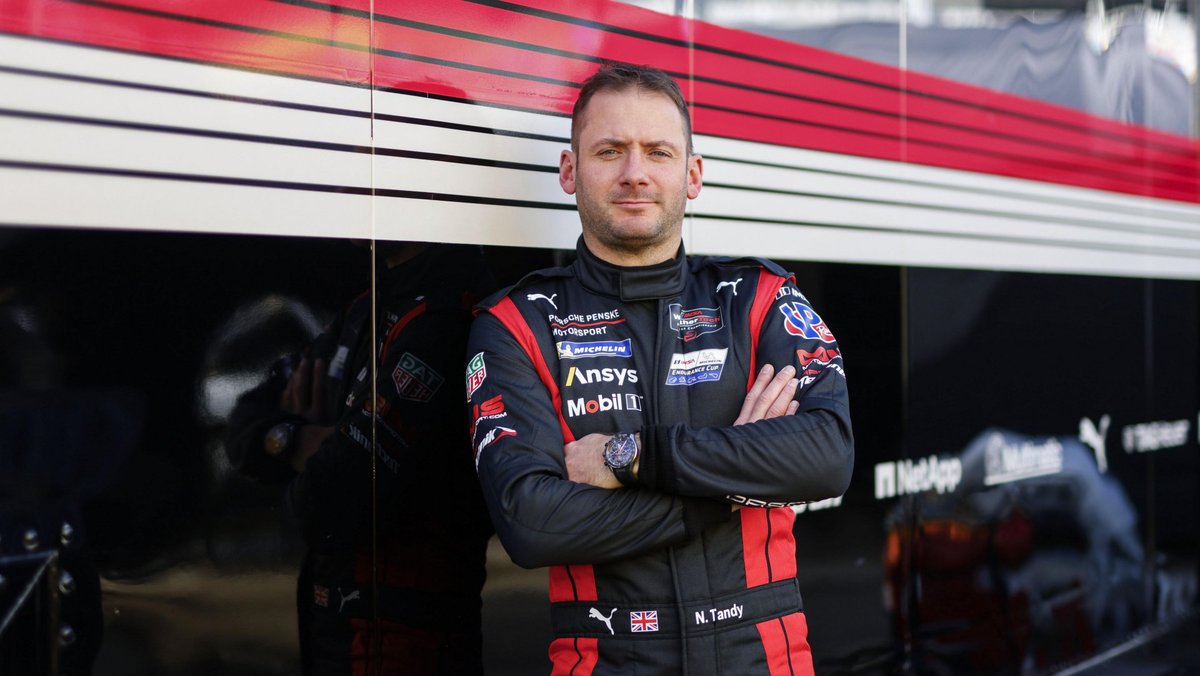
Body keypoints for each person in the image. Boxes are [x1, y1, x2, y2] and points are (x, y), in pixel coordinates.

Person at [465, 64, 854, 675]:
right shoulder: (517, 324)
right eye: (609, 151)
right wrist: (732, 488)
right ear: (570, 171)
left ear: (692, 175)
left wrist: (631, 458)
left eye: (658, 151)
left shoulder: (757, 300)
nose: (635, 172)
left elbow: (828, 455)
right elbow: (532, 524)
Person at [226, 242, 494, 675]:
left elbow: (324, 501)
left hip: (407, 642)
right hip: (336, 631)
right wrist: (297, 438)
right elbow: (241, 426)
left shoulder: (448, 313)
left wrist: (315, 445)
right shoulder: (368, 307)